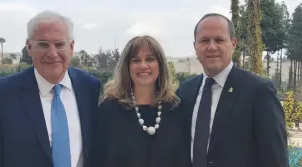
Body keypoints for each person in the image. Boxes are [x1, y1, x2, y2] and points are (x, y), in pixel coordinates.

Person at [0, 10, 101, 167]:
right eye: (43, 44)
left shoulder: (90, 87)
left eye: (59, 44)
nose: (52, 53)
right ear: (29, 47)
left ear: (71, 47)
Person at [176, 13, 289, 167]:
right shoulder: (185, 91)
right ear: (195, 46)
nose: (211, 47)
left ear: (233, 44)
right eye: (204, 41)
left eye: (219, 40)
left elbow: (275, 158)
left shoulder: (259, 92)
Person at [87, 35, 191, 167]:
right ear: (127, 67)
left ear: (160, 65)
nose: (143, 65)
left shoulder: (176, 109)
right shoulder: (108, 110)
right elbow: (96, 160)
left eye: (150, 59)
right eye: (136, 60)